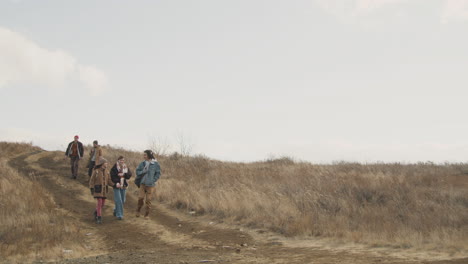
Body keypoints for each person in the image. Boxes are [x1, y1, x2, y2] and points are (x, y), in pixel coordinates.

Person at [135, 150, 161, 219]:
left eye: (145, 155)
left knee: (148, 200)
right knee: (141, 198)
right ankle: (138, 210)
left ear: (149, 155)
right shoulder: (142, 163)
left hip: (151, 185)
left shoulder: (156, 164)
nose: (144, 156)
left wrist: (153, 180)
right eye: (143, 155)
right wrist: (142, 171)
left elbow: (158, 173)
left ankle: (147, 214)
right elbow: (137, 171)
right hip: (142, 184)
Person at [89, 157, 112, 224]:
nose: (107, 164)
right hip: (98, 189)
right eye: (106, 163)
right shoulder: (96, 171)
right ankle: (99, 217)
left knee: (102, 204)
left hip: (104, 191)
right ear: (102, 163)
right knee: (99, 203)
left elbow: (109, 181)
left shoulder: (107, 171)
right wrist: (91, 188)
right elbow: (92, 180)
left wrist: (115, 185)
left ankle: (96, 212)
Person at [109, 156, 132, 220]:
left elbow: (129, 175)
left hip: (123, 185)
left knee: (123, 200)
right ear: (118, 160)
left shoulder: (126, 167)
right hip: (116, 185)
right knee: (118, 200)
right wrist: (116, 182)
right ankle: (119, 215)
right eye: (121, 160)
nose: (122, 161)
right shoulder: (114, 168)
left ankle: (115, 210)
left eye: (123, 160)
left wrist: (124, 175)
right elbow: (112, 176)